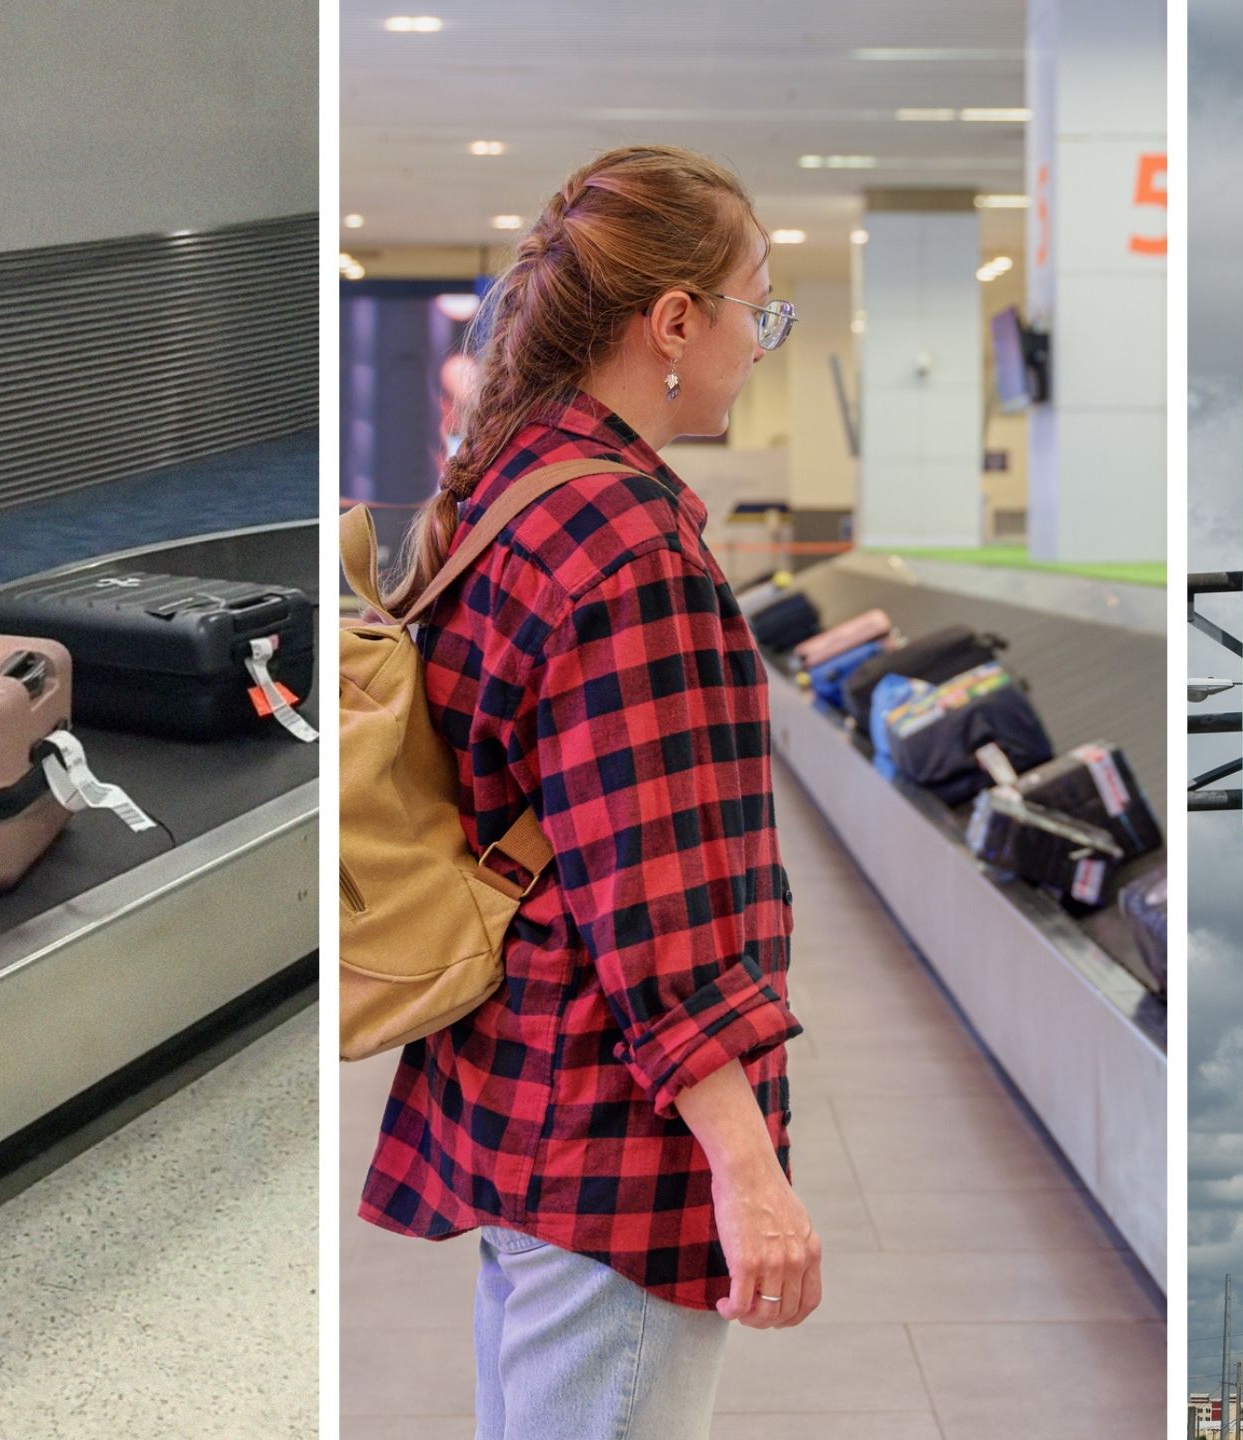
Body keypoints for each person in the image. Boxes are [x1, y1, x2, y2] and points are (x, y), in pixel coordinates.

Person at [358, 145, 817, 1440]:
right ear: (675, 319)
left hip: (514, 1082)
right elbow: (655, 898)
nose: (760, 340)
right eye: (757, 306)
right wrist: (748, 1167)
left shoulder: (513, 489)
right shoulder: (631, 551)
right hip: (616, 1137)